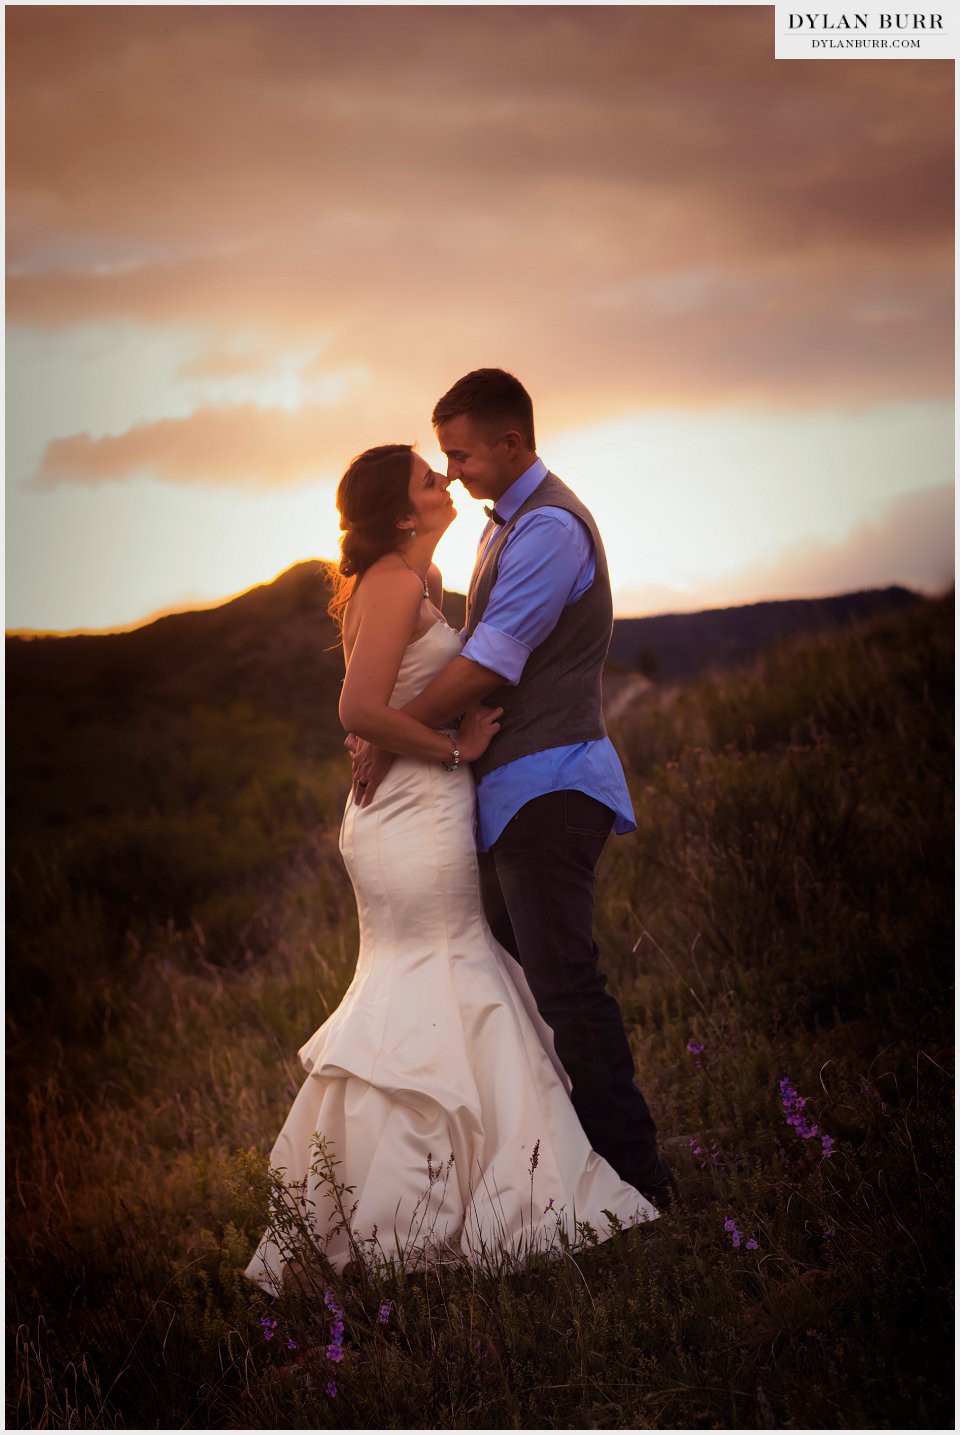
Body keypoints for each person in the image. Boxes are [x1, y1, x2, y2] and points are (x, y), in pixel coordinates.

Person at [244, 442, 657, 1291]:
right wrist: (450, 744)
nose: (446, 483)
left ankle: (425, 1194)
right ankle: (432, 1209)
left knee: (438, 974)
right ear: (402, 513)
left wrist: (429, 742)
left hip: (421, 805)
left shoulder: (421, 583)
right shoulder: (395, 581)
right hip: (412, 814)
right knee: (444, 966)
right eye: (429, 480)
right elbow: (357, 708)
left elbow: (387, 703)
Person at [350, 369, 677, 1210]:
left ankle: (637, 1177)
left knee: (562, 983)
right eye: (439, 465)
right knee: (518, 987)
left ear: (510, 441)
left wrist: (389, 735)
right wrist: (411, 735)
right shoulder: (501, 530)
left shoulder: (549, 530)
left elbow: (494, 660)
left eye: (457, 455)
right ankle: (549, 1169)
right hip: (506, 794)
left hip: (550, 782)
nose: (451, 472)